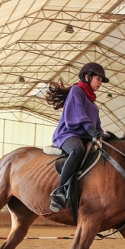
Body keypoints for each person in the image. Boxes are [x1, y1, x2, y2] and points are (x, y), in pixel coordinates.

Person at [45, 62, 109, 212]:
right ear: (87, 77)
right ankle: (59, 191)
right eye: (98, 79)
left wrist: (102, 134)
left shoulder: (93, 105)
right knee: (78, 150)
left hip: (85, 136)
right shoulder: (76, 90)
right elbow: (79, 114)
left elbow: (97, 125)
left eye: (101, 80)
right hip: (67, 134)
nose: (100, 83)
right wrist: (91, 130)